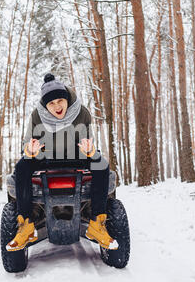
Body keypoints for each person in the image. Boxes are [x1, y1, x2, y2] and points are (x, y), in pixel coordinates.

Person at [6, 74, 118, 252]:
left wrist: (89, 150)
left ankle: (97, 224)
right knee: (21, 166)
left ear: (66, 98)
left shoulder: (81, 112)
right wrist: (30, 150)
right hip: (45, 158)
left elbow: (88, 141)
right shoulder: (37, 115)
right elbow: (28, 143)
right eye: (51, 103)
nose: (57, 106)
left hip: (77, 157)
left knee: (101, 165)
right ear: (45, 105)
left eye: (60, 100)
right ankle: (26, 225)